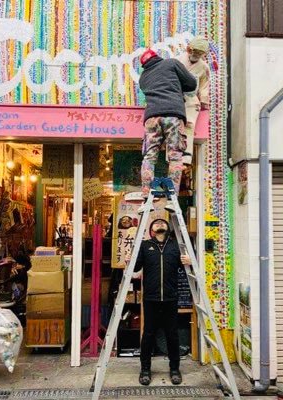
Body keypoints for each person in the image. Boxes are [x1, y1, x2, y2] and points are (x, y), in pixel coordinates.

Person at [133, 218, 191, 386]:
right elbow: (136, 268)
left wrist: (189, 262)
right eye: (156, 223)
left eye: (162, 223)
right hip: (151, 298)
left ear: (168, 228)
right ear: (152, 229)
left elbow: (186, 267)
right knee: (148, 334)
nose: (159, 224)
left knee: (172, 334)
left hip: (171, 298)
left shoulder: (175, 246)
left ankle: (174, 369)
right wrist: (130, 260)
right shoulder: (145, 246)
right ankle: (145, 369)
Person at [138, 48, 197, 210]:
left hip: (151, 117)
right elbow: (192, 83)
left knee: (149, 157)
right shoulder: (171, 63)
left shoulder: (143, 78)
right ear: (157, 57)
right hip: (173, 114)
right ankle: (172, 199)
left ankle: (146, 197)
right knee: (175, 157)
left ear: (145, 65)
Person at [177, 36, 210, 167]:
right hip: (176, 97)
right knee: (175, 126)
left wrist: (204, 101)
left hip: (191, 98)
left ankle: (187, 156)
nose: (196, 55)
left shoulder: (204, 67)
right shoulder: (177, 61)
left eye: (199, 53)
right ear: (189, 49)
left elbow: (204, 85)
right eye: (194, 51)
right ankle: (173, 155)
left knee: (189, 126)